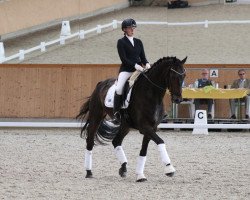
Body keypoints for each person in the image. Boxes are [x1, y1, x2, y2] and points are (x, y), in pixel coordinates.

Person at [112, 18, 151, 125]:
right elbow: (124, 59)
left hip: (138, 70)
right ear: (124, 29)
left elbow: (143, 57)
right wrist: (135, 65)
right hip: (126, 70)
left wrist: (147, 63)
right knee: (119, 88)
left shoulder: (138, 42)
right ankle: (116, 114)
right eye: (130, 28)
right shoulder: (121, 42)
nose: (132, 29)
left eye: (133, 27)